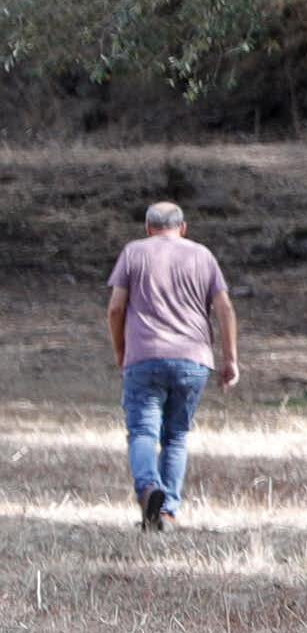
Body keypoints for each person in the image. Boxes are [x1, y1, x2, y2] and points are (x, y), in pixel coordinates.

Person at [106, 200, 239, 530]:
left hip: (144, 356)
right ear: (183, 227)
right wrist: (230, 358)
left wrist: (121, 350)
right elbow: (224, 309)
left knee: (142, 432)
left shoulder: (134, 252)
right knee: (176, 436)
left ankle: (149, 488)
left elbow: (115, 309)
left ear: (148, 228)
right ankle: (167, 512)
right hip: (193, 359)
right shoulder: (202, 255)